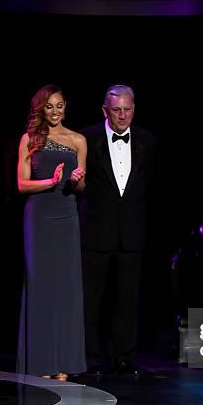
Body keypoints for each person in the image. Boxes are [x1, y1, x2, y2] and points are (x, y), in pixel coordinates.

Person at [80, 84, 155, 374]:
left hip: (132, 232)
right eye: (116, 110)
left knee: (127, 299)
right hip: (96, 231)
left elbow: (148, 187)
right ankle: (89, 356)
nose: (122, 116)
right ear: (105, 110)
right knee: (92, 299)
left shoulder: (148, 141)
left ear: (134, 108)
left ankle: (124, 355)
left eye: (127, 109)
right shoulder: (87, 138)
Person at [17, 84, 86, 380]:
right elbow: (21, 184)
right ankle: (41, 364)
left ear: (66, 106)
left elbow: (80, 187)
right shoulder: (29, 139)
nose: (55, 111)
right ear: (41, 110)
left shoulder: (78, 140)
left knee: (65, 289)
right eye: (49, 107)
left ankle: (63, 365)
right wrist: (50, 181)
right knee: (42, 288)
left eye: (59, 106)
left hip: (67, 216)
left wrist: (76, 180)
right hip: (39, 217)